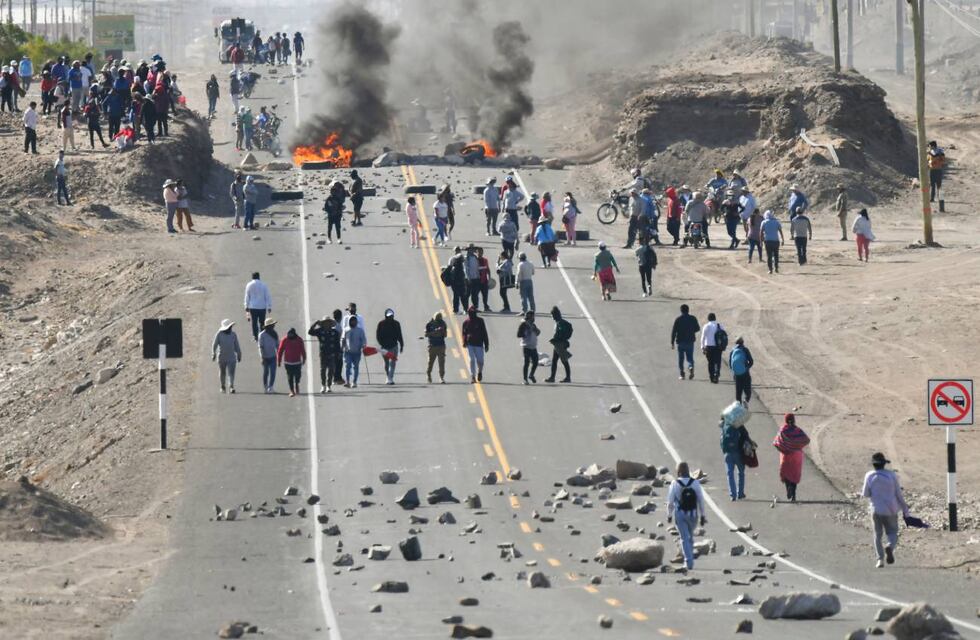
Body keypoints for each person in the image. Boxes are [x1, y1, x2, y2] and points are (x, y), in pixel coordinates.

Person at [862, 452, 911, 568]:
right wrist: (905, 508)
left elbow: (866, 494)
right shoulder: (891, 475)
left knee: (877, 534)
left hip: (876, 509)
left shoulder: (869, 475)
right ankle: (889, 546)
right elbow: (898, 494)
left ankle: (880, 560)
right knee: (892, 532)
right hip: (891, 509)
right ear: (884, 464)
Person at [666, 461, 706, 570]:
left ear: (678, 471)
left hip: (680, 514)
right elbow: (701, 500)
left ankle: (688, 562)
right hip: (693, 514)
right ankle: (690, 558)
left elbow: (670, 501)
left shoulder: (674, 484)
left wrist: (669, 515)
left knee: (684, 538)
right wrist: (703, 515)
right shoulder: (695, 483)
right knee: (690, 537)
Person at [773, 413, 810, 502]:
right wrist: (797, 446)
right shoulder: (798, 431)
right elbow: (806, 440)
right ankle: (793, 496)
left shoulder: (782, 430)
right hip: (797, 456)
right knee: (794, 475)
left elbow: (775, 443)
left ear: (785, 420)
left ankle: (788, 489)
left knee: (786, 474)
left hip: (785, 456)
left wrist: (783, 449)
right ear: (794, 420)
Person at [720, 417, 753, 501]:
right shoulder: (739, 425)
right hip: (738, 453)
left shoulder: (725, 425)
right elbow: (746, 435)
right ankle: (740, 493)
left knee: (730, 473)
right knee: (741, 472)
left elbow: (721, 440)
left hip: (728, 454)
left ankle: (732, 495)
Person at [308, 316, 341, 393]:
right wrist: (315, 323)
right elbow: (310, 332)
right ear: (323, 324)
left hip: (332, 354)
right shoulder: (320, 331)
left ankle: (329, 386)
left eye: (329, 322)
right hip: (323, 354)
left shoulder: (335, 332)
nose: (327, 324)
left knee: (331, 370)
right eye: (325, 322)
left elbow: (337, 344)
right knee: (323, 370)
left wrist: (339, 353)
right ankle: (323, 385)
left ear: (331, 324)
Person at [212, 318, 242, 393]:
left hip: (231, 357)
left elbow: (236, 345)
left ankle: (231, 386)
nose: (230, 328)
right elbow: (214, 345)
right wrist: (213, 353)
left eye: (230, 327)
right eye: (229, 327)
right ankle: (222, 386)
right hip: (222, 357)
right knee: (222, 372)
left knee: (231, 372)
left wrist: (239, 354)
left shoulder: (233, 334)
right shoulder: (219, 334)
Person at [671, 304, 700, 380]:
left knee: (681, 358)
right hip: (690, 341)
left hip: (680, 342)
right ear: (688, 310)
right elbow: (697, 328)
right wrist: (691, 331)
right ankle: (690, 367)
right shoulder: (693, 318)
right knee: (690, 357)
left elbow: (674, 331)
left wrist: (672, 342)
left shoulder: (678, 319)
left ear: (681, 311)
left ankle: (682, 374)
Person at [462, 306, 489, 383]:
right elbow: (464, 333)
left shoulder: (480, 321)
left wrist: (486, 344)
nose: (472, 314)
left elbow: (484, 333)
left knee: (480, 361)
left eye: (473, 313)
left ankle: (480, 372)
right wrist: (464, 341)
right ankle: (473, 376)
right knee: (471, 360)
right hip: (470, 344)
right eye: (470, 313)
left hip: (479, 344)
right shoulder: (466, 322)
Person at [376, 308, 404, 385]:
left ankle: (390, 378)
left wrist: (401, 345)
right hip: (384, 347)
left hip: (394, 346)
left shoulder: (396, 324)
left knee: (393, 363)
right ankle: (388, 376)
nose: (390, 317)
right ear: (386, 316)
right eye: (389, 316)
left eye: (391, 316)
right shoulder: (381, 324)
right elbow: (378, 336)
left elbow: (399, 335)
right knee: (387, 363)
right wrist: (381, 344)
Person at [545, 306, 573, 383]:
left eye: (552, 315)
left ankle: (567, 378)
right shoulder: (560, 322)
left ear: (555, 315)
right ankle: (553, 377)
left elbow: (560, 333)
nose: (552, 317)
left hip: (560, 344)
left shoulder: (560, 323)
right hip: (557, 344)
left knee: (564, 361)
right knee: (555, 360)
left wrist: (555, 339)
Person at [277, 328, 306, 398]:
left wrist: (304, 358)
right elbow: (280, 351)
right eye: (288, 334)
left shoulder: (299, 340)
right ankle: (292, 390)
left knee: (298, 376)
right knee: (290, 377)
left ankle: (297, 384)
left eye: (291, 334)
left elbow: (302, 350)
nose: (289, 335)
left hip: (297, 362)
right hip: (288, 362)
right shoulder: (284, 340)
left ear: (294, 334)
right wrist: (279, 361)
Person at [243, 272, 272, 341]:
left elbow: (247, 296)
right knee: (262, 322)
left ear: (252, 277)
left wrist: (246, 305)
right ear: (259, 277)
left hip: (253, 307)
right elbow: (267, 296)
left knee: (254, 322)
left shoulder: (249, 285)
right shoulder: (263, 285)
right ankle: (262, 335)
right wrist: (269, 306)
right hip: (262, 307)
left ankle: (255, 336)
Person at [700, 312, 725, 384]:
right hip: (718, 347)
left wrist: (702, 347)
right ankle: (716, 374)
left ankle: (711, 377)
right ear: (715, 318)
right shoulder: (720, 325)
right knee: (717, 362)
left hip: (709, 347)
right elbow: (724, 336)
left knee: (710, 362)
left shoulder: (706, 326)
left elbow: (703, 337)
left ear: (708, 319)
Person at [342, 316, 367, 388]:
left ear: (356, 322)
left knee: (356, 367)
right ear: (349, 321)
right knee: (348, 365)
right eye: (351, 321)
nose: (353, 322)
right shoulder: (346, 330)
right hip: (347, 352)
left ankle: (354, 382)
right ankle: (347, 381)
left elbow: (364, 340)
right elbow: (343, 339)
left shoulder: (360, 330)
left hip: (357, 352)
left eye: (354, 321)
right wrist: (342, 346)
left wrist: (364, 346)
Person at [729, 337, 754, 404]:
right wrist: (746, 367)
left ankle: (738, 407)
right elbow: (751, 362)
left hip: (736, 374)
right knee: (747, 391)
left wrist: (735, 370)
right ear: (743, 342)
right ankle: (746, 401)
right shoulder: (745, 350)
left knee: (738, 392)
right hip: (745, 374)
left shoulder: (733, 351)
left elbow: (730, 364)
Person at [517, 310, 540, 384]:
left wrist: (535, 330)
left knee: (535, 362)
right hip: (526, 346)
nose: (534, 318)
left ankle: (531, 375)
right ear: (530, 316)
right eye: (533, 316)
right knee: (526, 363)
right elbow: (518, 334)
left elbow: (538, 333)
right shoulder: (523, 324)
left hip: (533, 346)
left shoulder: (533, 325)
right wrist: (526, 333)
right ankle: (525, 379)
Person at [424, 312, 448, 383]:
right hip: (432, 346)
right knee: (430, 362)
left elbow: (445, 335)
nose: (439, 321)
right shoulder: (429, 324)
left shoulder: (443, 323)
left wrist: (443, 331)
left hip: (441, 345)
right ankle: (428, 374)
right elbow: (426, 334)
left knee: (442, 362)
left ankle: (441, 377)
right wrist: (435, 331)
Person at [258, 318, 279, 393]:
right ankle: (265, 386)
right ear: (268, 326)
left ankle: (271, 387)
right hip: (265, 357)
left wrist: (278, 356)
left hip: (273, 356)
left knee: (273, 372)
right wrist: (262, 357)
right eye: (272, 325)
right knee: (266, 372)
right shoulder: (262, 335)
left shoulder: (275, 334)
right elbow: (261, 347)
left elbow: (277, 345)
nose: (273, 326)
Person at [760, 210, 784, 274]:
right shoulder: (777, 222)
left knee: (769, 256)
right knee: (776, 255)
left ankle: (770, 269)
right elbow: (780, 231)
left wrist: (760, 241)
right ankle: (776, 268)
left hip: (768, 241)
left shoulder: (764, 222)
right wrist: (782, 239)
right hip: (776, 241)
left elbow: (761, 233)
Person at [447, 247, 468, 314]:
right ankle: (457, 310)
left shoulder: (454, 259)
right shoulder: (455, 258)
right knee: (459, 295)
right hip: (457, 280)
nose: (457, 251)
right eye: (457, 250)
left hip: (459, 279)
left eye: (458, 250)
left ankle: (463, 309)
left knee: (461, 295)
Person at [464, 244, 482, 310]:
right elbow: (466, 269)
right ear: (468, 250)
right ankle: (465, 308)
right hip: (469, 279)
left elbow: (477, 267)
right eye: (471, 249)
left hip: (476, 278)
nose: (473, 250)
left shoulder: (475, 257)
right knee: (467, 294)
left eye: (473, 249)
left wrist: (479, 276)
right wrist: (468, 278)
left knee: (475, 294)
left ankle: (475, 308)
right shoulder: (466, 258)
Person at [476, 247, 492, 311]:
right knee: (475, 295)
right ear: (476, 252)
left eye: (481, 252)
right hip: (477, 281)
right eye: (478, 252)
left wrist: (489, 277)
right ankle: (476, 307)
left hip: (484, 280)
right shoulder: (475, 260)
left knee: (485, 295)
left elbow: (487, 269)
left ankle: (486, 306)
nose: (480, 253)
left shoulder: (485, 260)